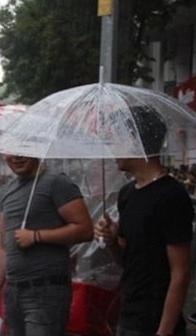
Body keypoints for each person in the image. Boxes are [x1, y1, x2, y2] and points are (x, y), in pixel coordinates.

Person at [95, 106, 193, 336]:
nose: (111, 147)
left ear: (134, 141)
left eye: (115, 139)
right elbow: (128, 260)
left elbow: (180, 272)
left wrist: (163, 332)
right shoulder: (127, 193)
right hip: (129, 315)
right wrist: (110, 241)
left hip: (157, 321)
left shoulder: (171, 196)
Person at [0, 155, 94, 336]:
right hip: (13, 293)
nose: (16, 156)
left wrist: (37, 236)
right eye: (10, 151)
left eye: (23, 149)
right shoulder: (6, 191)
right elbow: (3, 248)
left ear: (36, 150)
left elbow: (85, 229)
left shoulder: (57, 183)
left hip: (46, 293)